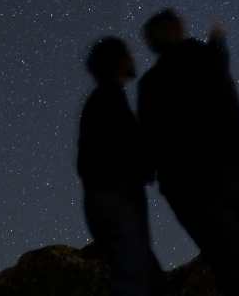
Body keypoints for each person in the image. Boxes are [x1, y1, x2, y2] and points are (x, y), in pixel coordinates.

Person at [137, 9, 239, 296]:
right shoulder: (205, 58)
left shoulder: (153, 83)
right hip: (237, 170)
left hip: (197, 183)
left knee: (230, 260)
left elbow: (150, 141)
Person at [77, 36, 163, 296]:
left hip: (108, 201)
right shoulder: (109, 99)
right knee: (135, 278)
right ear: (116, 62)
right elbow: (122, 150)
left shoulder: (104, 99)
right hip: (116, 201)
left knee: (140, 275)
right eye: (126, 55)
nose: (132, 59)